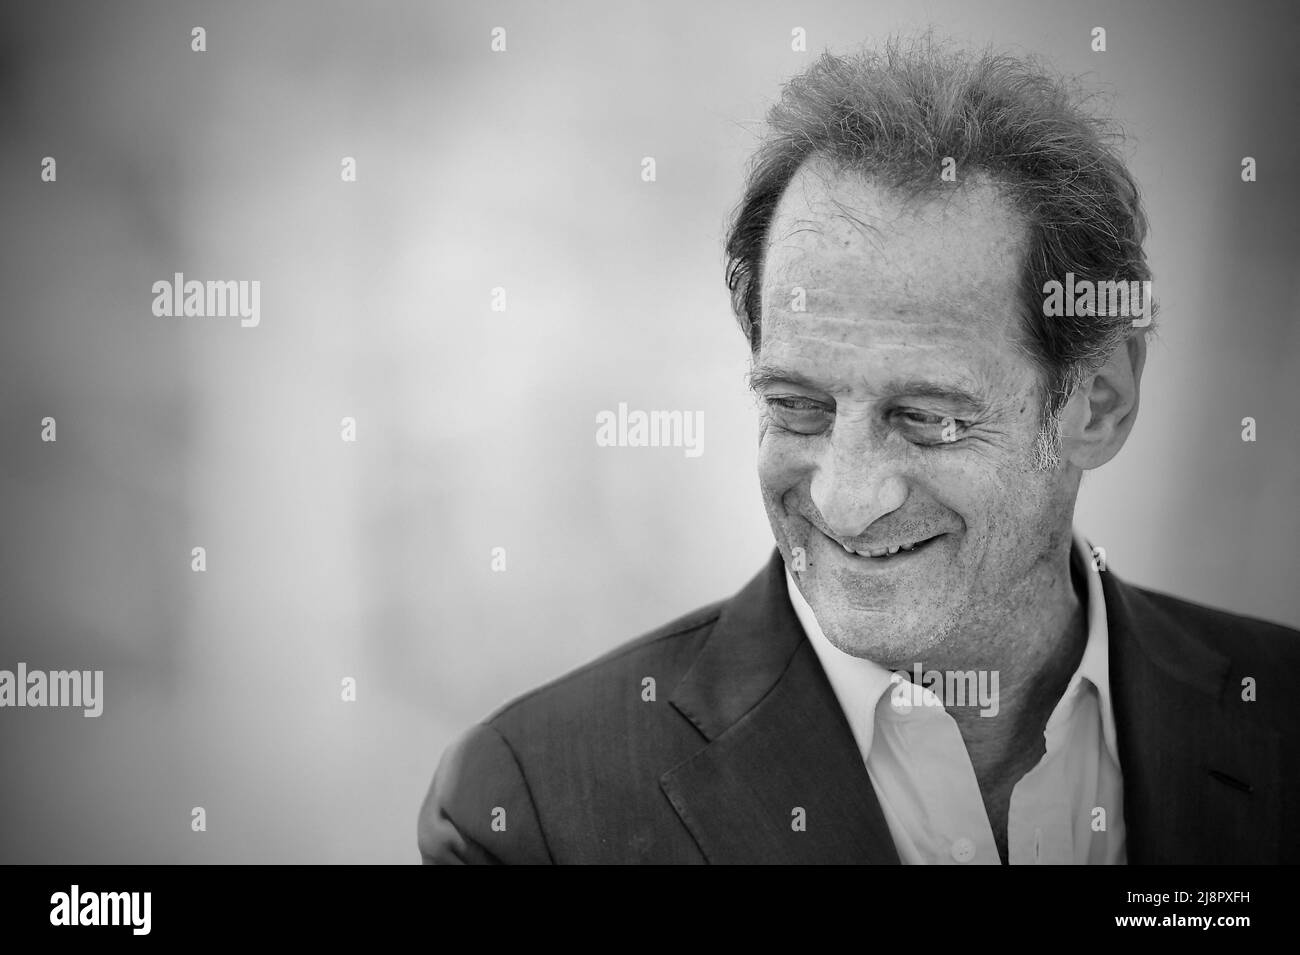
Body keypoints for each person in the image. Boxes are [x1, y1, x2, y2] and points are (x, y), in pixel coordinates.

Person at [418, 38, 1300, 864]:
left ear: (1099, 402)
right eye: (798, 407)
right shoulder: (536, 811)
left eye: (926, 416)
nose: (845, 499)